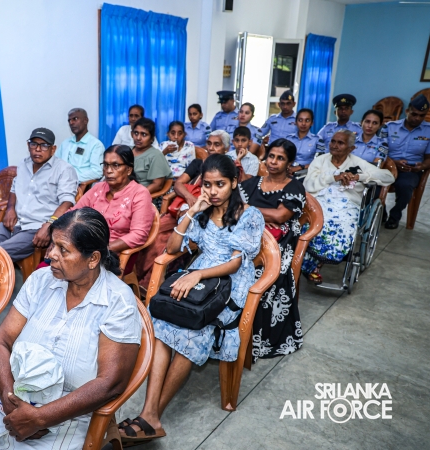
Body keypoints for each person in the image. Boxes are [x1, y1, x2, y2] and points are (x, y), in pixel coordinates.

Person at [0, 207, 142, 450]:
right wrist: (10, 401)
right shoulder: (40, 280)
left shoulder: (117, 301)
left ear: (93, 259)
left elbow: (110, 383)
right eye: (53, 244)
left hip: (71, 414)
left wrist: (40, 418)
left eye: (63, 249)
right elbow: (1, 342)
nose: (51, 255)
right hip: (11, 395)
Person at [119, 154, 264, 445]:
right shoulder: (203, 211)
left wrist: (196, 274)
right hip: (199, 280)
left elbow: (235, 264)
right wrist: (192, 210)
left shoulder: (249, 215)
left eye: (220, 184)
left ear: (234, 182)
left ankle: (150, 416)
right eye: (207, 185)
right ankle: (150, 414)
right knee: (161, 322)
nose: (213, 191)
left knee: (192, 331)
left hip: (230, 285)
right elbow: (173, 247)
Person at [239, 140, 307, 361]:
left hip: (278, 246)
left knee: (254, 275)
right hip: (250, 239)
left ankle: (255, 340)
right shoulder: (253, 183)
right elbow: (232, 205)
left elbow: (280, 216)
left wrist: (248, 209)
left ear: (289, 163)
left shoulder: (294, 187)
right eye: (271, 156)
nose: (274, 162)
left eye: (280, 158)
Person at [302, 131, 394, 283]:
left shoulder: (358, 163)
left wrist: (359, 177)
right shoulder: (320, 160)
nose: (334, 145)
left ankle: (317, 263)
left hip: (347, 203)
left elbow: (388, 176)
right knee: (313, 220)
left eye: (340, 143)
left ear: (351, 148)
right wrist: (334, 177)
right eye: (333, 141)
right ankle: (308, 262)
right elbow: (308, 184)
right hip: (321, 200)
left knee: (341, 222)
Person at [0, 128, 78, 260]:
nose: (38, 149)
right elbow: (14, 189)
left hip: (37, 228)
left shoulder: (64, 170)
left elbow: (67, 202)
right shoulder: (24, 164)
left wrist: (49, 225)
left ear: (53, 149)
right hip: (15, 223)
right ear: (28, 145)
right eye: (34, 144)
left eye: (44, 145)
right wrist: (10, 209)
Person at [71, 145, 154, 255]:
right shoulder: (98, 188)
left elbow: (139, 235)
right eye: (106, 165)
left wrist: (102, 250)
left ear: (129, 169)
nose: (109, 171)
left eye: (116, 165)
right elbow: (73, 213)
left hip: (114, 253)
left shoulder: (140, 193)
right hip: (84, 246)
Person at [381, 94, 430, 229]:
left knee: (405, 185)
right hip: (388, 166)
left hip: (411, 169)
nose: (417, 118)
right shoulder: (390, 127)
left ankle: (395, 215)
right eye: (414, 114)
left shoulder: (428, 131)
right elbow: (380, 151)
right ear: (407, 111)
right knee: (374, 183)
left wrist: (422, 166)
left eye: (421, 115)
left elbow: (429, 158)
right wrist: (394, 163)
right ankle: (381, 212)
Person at [55, 108, 105, 182]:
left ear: (85, 120)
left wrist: (70, 179)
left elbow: (97, 172)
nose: (71, 123)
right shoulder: (66, 143)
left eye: (75, 119)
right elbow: (55, 163)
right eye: (69, 120)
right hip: (60, 183)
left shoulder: (96, 145)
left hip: (78, 184)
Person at [131, 118, 173, 194]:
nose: (138, 138)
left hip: (144, 196)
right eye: (136, 133)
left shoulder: (156, 155)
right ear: (132, 134)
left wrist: (136, 196)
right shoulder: (127, 151)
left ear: (152, 139)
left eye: (144, 134)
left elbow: (157, 185)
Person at [286, 108, 325, 176]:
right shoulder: (288, 138)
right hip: (287, 172)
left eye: (307, 120)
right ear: (296, 122)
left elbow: (320, 162)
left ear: (312, 123)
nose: (303, 123)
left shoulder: (317, 140)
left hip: (307, 174)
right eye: (300, 120)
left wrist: (300, 167)